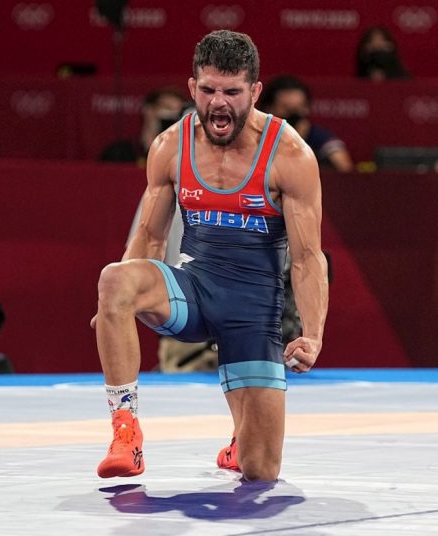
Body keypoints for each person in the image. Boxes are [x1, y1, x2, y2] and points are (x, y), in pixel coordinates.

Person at [91, 30, 328, 481]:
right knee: (114, 279)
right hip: (194, 289)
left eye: (232, 92)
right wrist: (114, 304)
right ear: (192, 87)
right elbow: (149, 236)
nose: (219, 104)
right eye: (208, 90)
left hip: (252, 311)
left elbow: (307, 257)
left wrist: (312, 334)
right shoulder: (169, 146)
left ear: (255, 92)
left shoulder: (290, 154)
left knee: (261, 470)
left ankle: (242, 441)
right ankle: (126, 433)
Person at [259, 75, 353, 173]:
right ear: (268, 109)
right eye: (286, 108)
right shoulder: (256, 138)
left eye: (299, 108)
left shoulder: (320, 138)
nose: (294, 116)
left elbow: (344, 168)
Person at [101, 87, 187, 165]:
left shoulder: (184, 158)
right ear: (148, 110)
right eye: (167, 109)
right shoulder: (119, 153)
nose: (172, 116)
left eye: (177, 113)